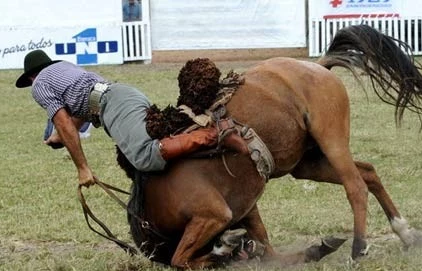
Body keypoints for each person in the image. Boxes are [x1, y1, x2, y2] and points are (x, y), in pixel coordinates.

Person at [15, 50, 248, 187]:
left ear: (31, 78)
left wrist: (83, 168)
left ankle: (214, 135)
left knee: (145, 156)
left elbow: (63, 120)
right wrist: (58, 138)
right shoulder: (65, 68)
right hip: (122, 94)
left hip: (112, 105)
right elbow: (77, 113)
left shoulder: (40, 85)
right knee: (161, 142)